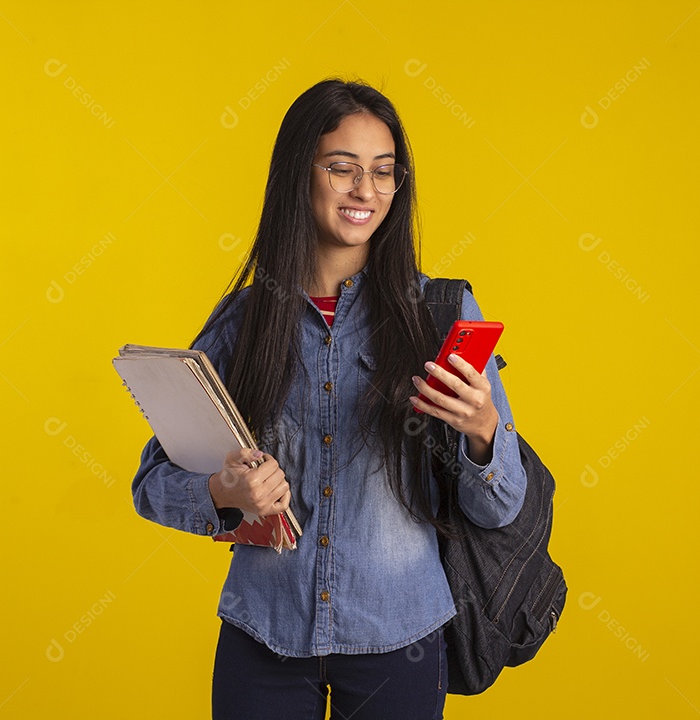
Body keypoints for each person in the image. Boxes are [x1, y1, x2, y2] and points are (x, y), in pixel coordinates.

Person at [131, 78, 527, 719]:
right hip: (263, 634)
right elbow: (151, 482)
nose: (365, 190)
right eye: (342, 168)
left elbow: (501, 504)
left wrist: (484, 430)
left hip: (400, 640)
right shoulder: (243, 321)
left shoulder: (436, 314)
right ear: (298, 175)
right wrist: (223, 494)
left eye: (383, 172)